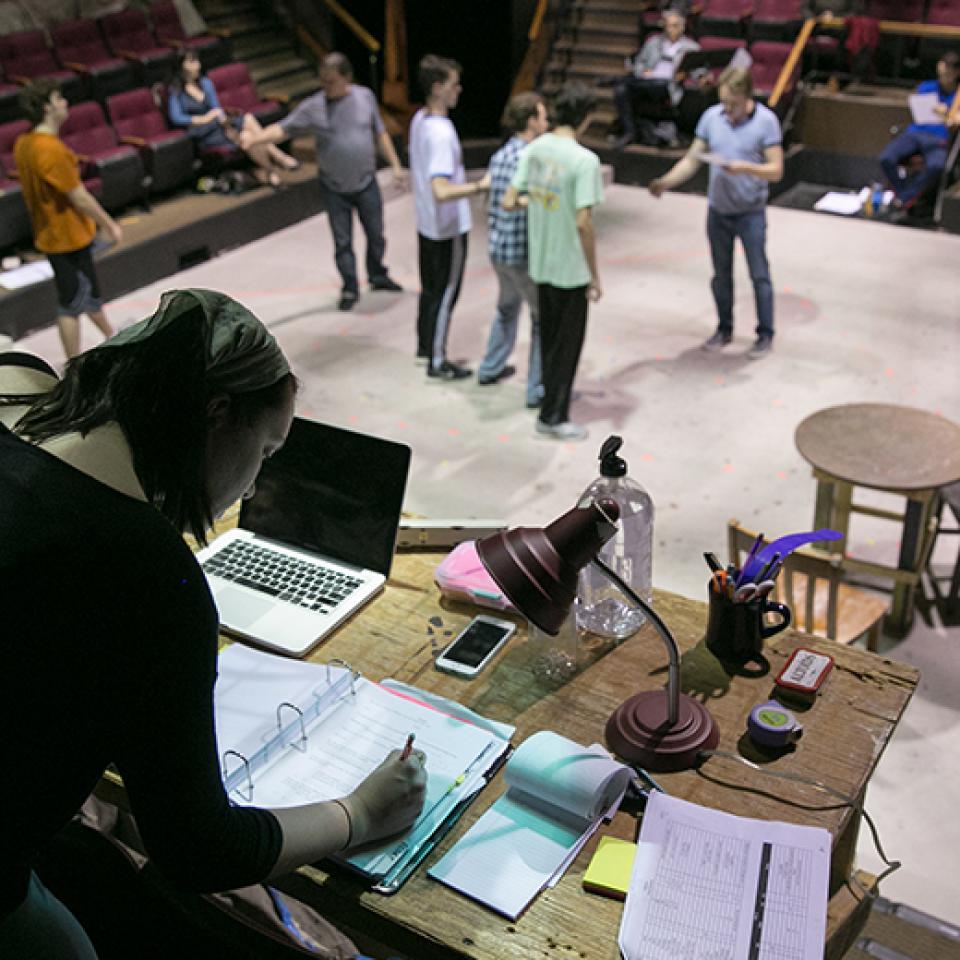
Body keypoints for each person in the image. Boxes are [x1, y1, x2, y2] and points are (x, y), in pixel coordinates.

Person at [0, 289, 428, 960]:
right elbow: (198, 849)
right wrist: (358, 815)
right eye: (264, 453)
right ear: (217, 413)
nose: (255, 487)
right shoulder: (149, 576)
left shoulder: (15, 386)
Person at [240, 52, 406, 312]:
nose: (326, 87)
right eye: (323, 82)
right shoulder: (314, 106)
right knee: (343, 242)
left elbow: (380, 133)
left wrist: (396, 165)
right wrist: (255, 140)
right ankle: (349, 287)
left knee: (376, 235)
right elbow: (282, 129)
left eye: (331, 81)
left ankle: (377, 273)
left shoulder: (365, 97)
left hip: (366, 182)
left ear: (346, 78)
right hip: (334, 187)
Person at [649, 66, 783, 359]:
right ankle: (724, 328)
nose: (728, 110)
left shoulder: (766, 122)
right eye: (724, 103)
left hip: (750, 213)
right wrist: (665, 182)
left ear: (748, 97)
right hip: (718, 211)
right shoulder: (712, 118)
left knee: (759, 274)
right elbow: (692, 159)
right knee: (721, 275)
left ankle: (765, 333)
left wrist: (745, 167)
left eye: (733, 104)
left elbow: (776, 170)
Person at [503, 82, 603, 442]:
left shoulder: (536, 150)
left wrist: (541, 204)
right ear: (586, 118)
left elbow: (511, 200)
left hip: (542, 262)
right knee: (569, 343)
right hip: (571, 268)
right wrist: (594, 275)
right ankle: (553, 415)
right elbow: (583, 222)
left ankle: (553, 395)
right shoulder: (584, 160)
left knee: (549, 339)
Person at [13, 79, 122, 360]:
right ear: (47, 107)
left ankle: (112, 337)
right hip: (67, 236)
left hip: (50, 234)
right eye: (59, 98)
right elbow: (79, 196)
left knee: (86, 295)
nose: (65, 103)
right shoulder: (49, 149)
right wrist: (108, 224)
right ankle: (74, 364)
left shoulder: (24, 143)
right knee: (72, 302)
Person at [409, 54, 490, 381]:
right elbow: (442, 189)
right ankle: (438, 360)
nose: (459, 90)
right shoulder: (441, 133)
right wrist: (479, 186)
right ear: (438, 87)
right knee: (445, 293)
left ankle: (425, 346)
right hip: (447, 227)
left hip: (427, 223)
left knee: (430, 289)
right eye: (455, 85)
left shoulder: (419, 120)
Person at [477, 91, 549, 407]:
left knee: (506, 308)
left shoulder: (501, 155)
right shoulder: (531, 158)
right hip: (522, 254)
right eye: (543, 116)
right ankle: (537, 389)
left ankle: (490, 367)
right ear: (531, 120)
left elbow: (490, 202)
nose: (547, 122)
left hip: (498, 249)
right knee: (541, 319)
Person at [167, 50, 298, 190]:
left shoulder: (205, 83)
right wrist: (202, 119)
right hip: (202, 132)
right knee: (247, 119)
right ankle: (279, 156)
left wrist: (225, 123)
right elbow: (176, 117)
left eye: (197, 61)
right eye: (192, 62)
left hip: (218, 125)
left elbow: (216, 108)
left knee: (246, 135)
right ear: (181, 66)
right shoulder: (176, 90)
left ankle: (272, 173)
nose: (197, 65)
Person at [879, 52, 960, 216]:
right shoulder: (926, 87)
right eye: (944, 71)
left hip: (940, 139)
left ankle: (904, 198)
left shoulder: (958, 96)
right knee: (886, 158)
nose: (946, 76)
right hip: (915, 134)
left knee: (936, 166)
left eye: (950, 72)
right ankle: (905, 196)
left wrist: (948, 116)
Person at [612, 9, 699, 149]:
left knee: (642, 83)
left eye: (675, 25)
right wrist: (643, 72)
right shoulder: (653, 42)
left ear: (682, 27)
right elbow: (639, 62)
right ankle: (629, 131)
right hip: (646, 81)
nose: (671, 29)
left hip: (669, 85)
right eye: (669, 25)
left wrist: (687, 75)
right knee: (621, 90)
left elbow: (698, 71)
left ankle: (616, 79)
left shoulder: (691, 47)